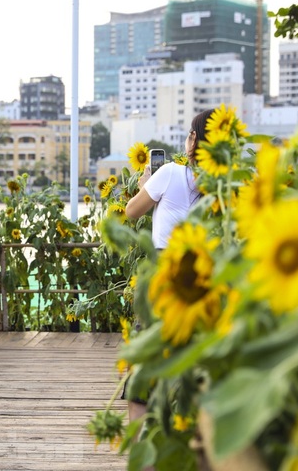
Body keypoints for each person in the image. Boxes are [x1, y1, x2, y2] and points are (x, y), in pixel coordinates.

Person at [123, 109, 214, 424]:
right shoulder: (224, 189)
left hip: (163, 270)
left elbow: (131, 211)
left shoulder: (170, 173)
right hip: (205, 276)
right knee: (197, 367)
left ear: (193, 139)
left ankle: (143, 456)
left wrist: (145, 182)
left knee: (144, 367)